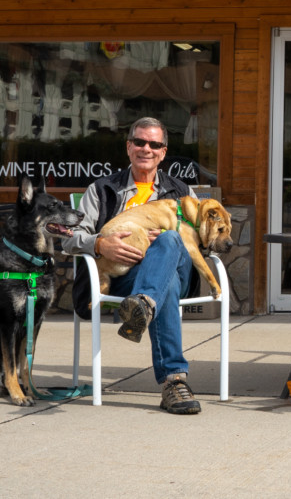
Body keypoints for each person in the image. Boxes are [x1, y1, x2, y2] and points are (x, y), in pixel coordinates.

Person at [63, 117, 201, 415]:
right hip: (123, 278)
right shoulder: (102, 190)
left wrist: (168, 237)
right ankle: (174, 381)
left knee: (169, 241)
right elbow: (69, 239)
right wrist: (100, 244)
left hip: (176, 267)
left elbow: (199, 240)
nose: (146, 149)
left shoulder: (182, 192)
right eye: (139, 142)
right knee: (166, 288)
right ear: (128, 147)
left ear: (164, 152)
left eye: (154, 144)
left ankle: (144, 303)